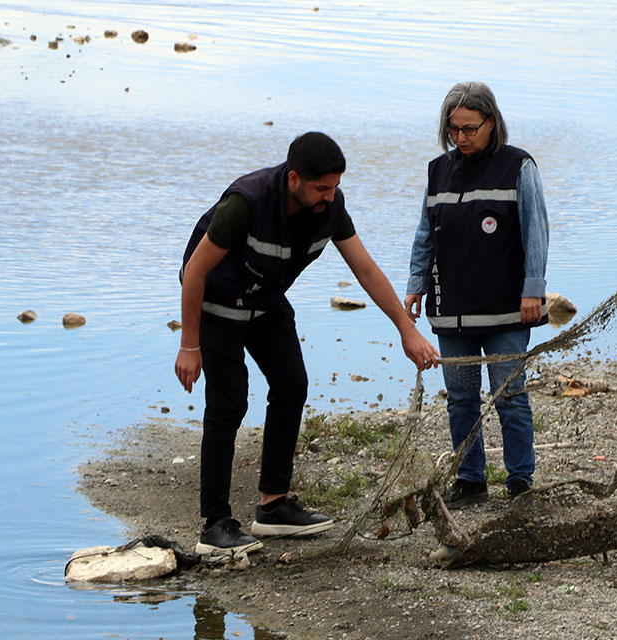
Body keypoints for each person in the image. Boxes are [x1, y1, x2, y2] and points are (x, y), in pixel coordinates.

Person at [176, 132, 439, 555]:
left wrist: (406, 329)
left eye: (335, 186)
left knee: (292, 385)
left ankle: (273, 506)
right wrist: (190, 345)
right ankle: (215, 526)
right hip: (216, 307)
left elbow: (366, 270)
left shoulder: (330, 208)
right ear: (294, 178)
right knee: (229, 404)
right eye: (322, 187)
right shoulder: (247, 202)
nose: (330, 196)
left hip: (265, 303)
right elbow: (194, 271)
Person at [404, 82, 549, 509]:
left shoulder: (518, 166)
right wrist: (416, 284)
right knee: (461, 399)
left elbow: (536, 232)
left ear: (491, 122)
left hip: (508, 310)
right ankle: (470, 479)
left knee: (509, 396)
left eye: (470, 129)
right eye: (455, 130)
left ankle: (520, 480)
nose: (462, 138)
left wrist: (533, 291)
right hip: (452, 312)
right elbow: (424, 234)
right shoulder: (438, 170)